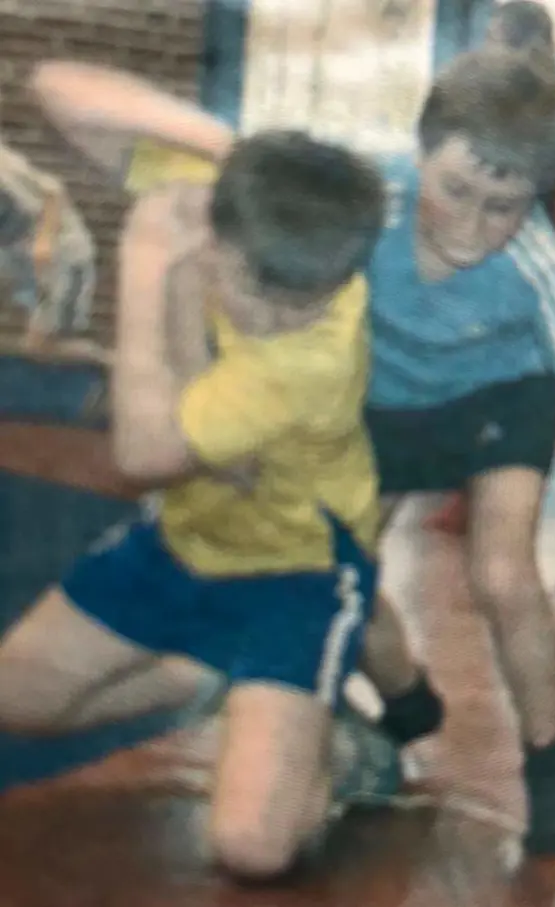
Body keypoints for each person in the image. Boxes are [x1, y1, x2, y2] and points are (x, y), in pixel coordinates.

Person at [28, 52, 555, 861]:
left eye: (503, 207)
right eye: (456, 191)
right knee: (341, 553)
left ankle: (549, 765)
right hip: (388, 392)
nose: (471, 225)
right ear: (419, 154)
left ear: (533, 200)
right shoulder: (371, 200)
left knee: (502, 573)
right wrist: (231, 147)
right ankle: (406, 701)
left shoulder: (539, 269)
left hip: (502, 395)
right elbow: (66, 92)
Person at [0, 113, 404, 879]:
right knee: (14, 701)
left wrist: (149, 260)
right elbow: (59, 90)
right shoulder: (252, 216)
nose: (282, 317)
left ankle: (339, 750)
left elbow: (144, 453)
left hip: (300, 572)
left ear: (342, 278)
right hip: (182, 538)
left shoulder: (309, 353)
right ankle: (217, 681)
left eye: (307, 299)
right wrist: (223, 150)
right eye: (263, 289)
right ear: (227, 231)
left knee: (250, 848)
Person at [424, 1, 555, 560]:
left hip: (496, 250)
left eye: (497, 37)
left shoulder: (498, 106)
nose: (490, 46)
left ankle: (461, 499)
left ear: (516, 42)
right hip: (543, 253)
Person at [0, 140, 95, 347]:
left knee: (46, 339)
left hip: (60, 249)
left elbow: (53, 192)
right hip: (17, 252)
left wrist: (44, 239)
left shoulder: (5, 168)